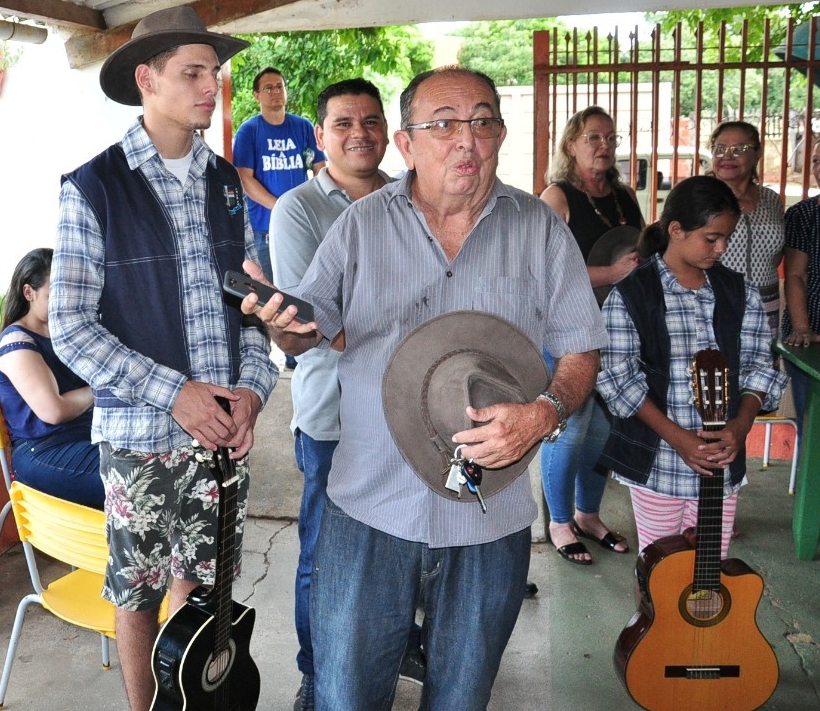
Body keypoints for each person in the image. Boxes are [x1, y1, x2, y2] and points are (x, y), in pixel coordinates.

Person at [245, 66, 606, 711]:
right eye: (443, 124)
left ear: (500, 134)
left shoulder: (540, 228)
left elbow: (582, 347)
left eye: (483, 121)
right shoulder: (358, 227)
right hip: (371, 504)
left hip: (488, 510)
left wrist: (545, 412)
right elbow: (310, 329)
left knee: (463, 696)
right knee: (346, 692)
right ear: (407, 143)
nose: (466, 140)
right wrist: (284, 327)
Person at [49, 5, 277, 711]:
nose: (213, 85)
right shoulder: (93, 187)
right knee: (139, 593)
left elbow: (253, 305)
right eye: (194, 72)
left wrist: (253, 392)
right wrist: (175, 392)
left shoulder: (226, 186)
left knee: (201, 593)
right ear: (147, 79)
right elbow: (70, 328)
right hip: (140, 439)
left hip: (220, 442)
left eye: (215, 71)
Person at [267, 78, 399, 709]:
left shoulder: (410, 198)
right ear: (318, 136)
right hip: (334, 418)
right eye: (343, 123)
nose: (359, 134)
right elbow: (310, 320)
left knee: (398, 548)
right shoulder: (298, 208)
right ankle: (316, 676)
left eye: (370, 121)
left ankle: (387, 656)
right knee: (324, 557)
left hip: (407, 411)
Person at [597, 176, 785, 560]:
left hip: (721, 462)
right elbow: (618, 380)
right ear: (676, 230)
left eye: (726, 238)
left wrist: (741, 424)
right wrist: (680, 439)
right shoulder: (631, 294)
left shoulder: (739, 291)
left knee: (711, 563)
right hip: (658, 462)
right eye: (711, 238)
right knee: (657, 570)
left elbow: (758, 365)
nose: (722, 248)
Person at [538, 106, 643, 565]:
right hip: (564, 327)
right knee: (570, 424)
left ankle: (587, 515)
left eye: (609, 138)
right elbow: (539, 270)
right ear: (570, 145)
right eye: (592, 138)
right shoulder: (556, 195)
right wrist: (611, 272)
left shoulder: (623, 196)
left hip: (616, 327)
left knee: (604, 427)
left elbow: (640, 252)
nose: (603, 145)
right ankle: (558, 522)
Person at [0, 247, 100, 508]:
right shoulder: (16, 341)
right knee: (137, 478)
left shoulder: (67, 332)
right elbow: (54, 411)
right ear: (29, 292)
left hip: (86, 437)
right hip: (45, 452)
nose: (66, 301)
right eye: (55, 294)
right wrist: (99, 388)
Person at [233, 67, 325, 372]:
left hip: (305, 222)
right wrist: (282, 207)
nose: (276, 92)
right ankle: (289, 355)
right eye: (269, 88)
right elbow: (244, 178)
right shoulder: (250, 131)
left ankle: (309, 344)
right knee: (274, 289)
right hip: (265, 224)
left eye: (280, 86)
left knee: (306, 283)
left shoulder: (302, 127)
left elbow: (320, 166)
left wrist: (319, 202)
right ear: (257, 95)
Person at [708, 121, 785, 336]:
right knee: (716, 366)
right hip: (715, 302)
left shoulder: (771, 199)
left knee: (761, 365)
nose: (727, 156)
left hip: (766, 303)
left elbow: (776, 254)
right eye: (720, 149)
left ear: (757, 154)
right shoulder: (699, 196)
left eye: (739, 149)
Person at [783, 149, 820, 422]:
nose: (819, 170)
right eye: (816, 161)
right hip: (811, 339)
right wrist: (802, 328)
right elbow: (795, 275)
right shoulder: (803, 214)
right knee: (812, 429)